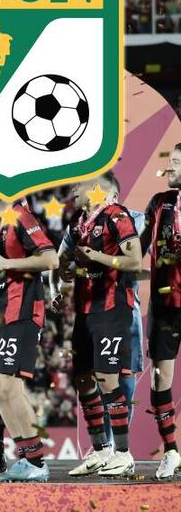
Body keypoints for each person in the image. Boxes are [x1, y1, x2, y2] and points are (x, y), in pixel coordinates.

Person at [58, 172, 142, 478]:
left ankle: (123, 453)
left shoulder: (116, 216)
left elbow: (134, 261)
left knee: (108, 378)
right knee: (83, 379)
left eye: (78, 185)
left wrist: (97, 256)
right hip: (85, 310)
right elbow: (66, 261)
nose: (73, 189)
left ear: (97, 189)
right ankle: (101, 450)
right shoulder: (78, 222)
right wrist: (67, 270)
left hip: (112, 308)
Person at [0, 197, 58, 482]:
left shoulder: (20, 215)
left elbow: (50, 258)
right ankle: (26, 458)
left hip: (21, 310)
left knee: (9, 386)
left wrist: (7, 263)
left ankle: (37, 462)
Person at [140, 142, 181, 479]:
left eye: (177, 162)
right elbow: (137, 247)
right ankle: (171, 452)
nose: (171, 168)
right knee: (158, 378)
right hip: (165, 304)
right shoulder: (158, 202)